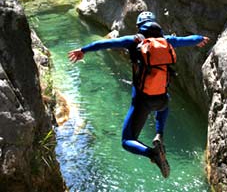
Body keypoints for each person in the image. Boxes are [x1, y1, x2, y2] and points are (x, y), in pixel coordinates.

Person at [68, 11, 209, 178]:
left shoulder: (133, 41)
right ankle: (160, 135)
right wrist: (200, 39)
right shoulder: (167, 41)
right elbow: (188, 40)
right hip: (162, 100)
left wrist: (83, 50)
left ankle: (152, 154)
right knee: (165, 102)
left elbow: (104, 44)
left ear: (139, 27)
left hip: (142, 102)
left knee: (127, 140)